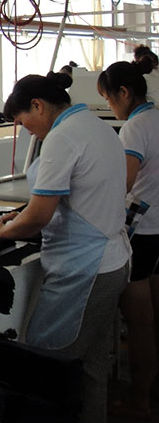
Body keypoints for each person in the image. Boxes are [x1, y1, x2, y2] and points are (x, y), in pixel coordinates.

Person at [0, 72, 130, 423]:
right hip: (111, 261)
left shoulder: (62, 138)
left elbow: (38, 217)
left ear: (37, 105)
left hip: (85, 270)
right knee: (91, 366)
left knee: (45, 361)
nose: (28, 131)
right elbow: (75, 195)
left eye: (23, 122)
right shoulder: (94, 126)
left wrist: (2, 230)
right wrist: (22, 213)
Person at [98, 61, 159, 420]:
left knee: (139, 323)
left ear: (123, 93)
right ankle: (152, 390)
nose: (110, 106)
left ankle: (138, 402)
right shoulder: (157, 118)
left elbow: (124, 182)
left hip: (143, 232)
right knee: (156, 317)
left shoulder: (135, 128)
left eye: (108, 99)